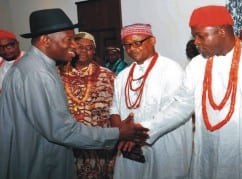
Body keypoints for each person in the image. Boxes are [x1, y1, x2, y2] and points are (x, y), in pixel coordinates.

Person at [139, 5, 242, 179]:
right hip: (208, 158)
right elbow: (180, 106)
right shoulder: (197, 65)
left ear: (222, 31)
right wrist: (142, 131)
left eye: (200, 36)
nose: (196, 42)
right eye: (194, 37)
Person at [0, 8, 148, 179]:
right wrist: (118, 133)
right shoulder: (37, 73)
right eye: (69, 40)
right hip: (39, 166)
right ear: (46, 40)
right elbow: (62, 130)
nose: (74, 46)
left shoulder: (34, 67)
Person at [110, 23, 192, 179]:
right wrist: (122, 133)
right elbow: (114, 108)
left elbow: (173, 112)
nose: (132, 49)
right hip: (129, 147)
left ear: (153, 40)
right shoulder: (123, 75)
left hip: (163, 146)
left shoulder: (171, 69)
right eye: (127, 45)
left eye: (137, 43)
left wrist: (137, 135)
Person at [58, 31, 117, 179]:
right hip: (68, 145)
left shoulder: (108, 76)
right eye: (79, 46)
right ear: (72, 48)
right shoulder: (56, 75)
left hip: (100, 146)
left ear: (94, 51)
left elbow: (118, 110)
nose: (84, 50)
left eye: (89, 47)